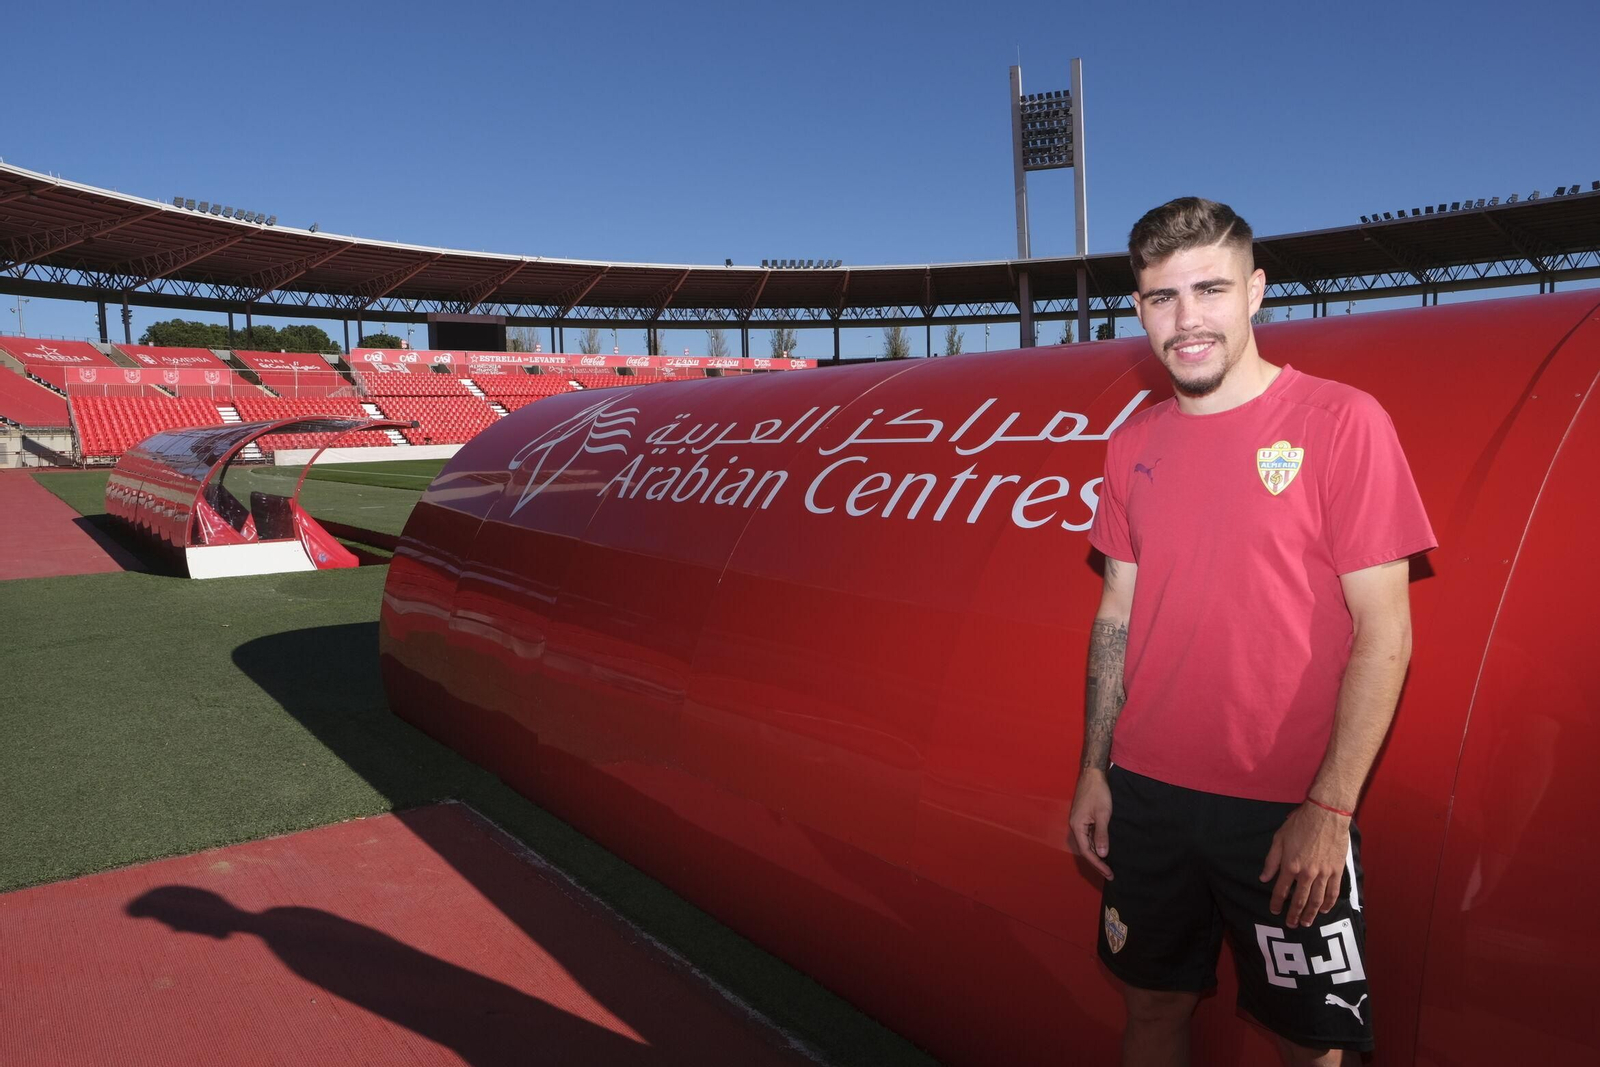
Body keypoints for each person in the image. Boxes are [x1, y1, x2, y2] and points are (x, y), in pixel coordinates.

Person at [1068, 197, 1436, 1066]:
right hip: (1147, 796)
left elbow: (1386, 632)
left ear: (1257, 292)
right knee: (1153, 1012)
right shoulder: (1132, 446)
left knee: (1313, 1050)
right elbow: (1115, 614)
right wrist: (1094, 765)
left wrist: (1330, 806)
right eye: (1162, 297)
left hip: (1286, 809)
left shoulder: (1342, 423)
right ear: (1138, 309)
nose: (1187, 319)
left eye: (1210, 289)